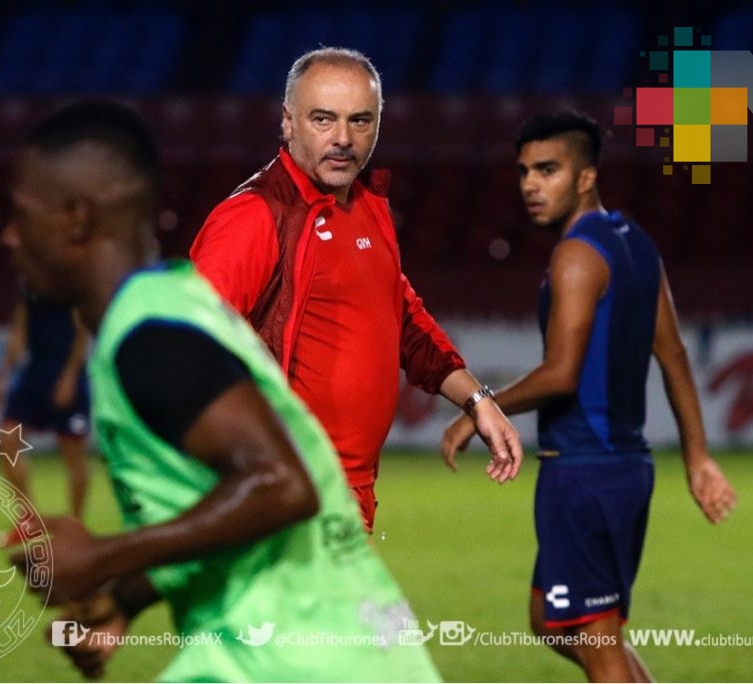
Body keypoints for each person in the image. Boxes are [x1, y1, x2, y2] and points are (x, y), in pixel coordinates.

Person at [3, 100, 441, 682]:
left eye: (21, 215)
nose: (9, 237)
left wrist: (102, 558)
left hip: (294, 658)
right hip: (335, 648)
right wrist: (124, 600)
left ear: (76, 220)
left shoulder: (150, 337)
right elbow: (235, 501)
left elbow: (283, 485)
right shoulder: (175, 306)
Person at [441, 111, 738, 682]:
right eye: (525, 170)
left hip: (585, 474)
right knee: (551, 619)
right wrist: (697, 457)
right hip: (625, 469)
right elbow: (673, 353)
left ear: (585, 177)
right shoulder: (634, 241)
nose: (530, 184)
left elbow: (561, 375)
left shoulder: (575, 256)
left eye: (548, 170)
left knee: (597, 646)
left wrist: (481, 405)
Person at [190, 47, 522, 531]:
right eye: (323, 119)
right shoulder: (256, 217)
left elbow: (403, 317)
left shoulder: (368, 203)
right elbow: (187, 349)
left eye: (360, 121)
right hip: (289, 494)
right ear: (288, 122)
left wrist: (477, 400)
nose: (343, 139)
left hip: (348, 493)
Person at [0, 285, 91, 545]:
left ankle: (74, 527)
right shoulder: (29, 285)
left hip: (68, 373)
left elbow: (82, 333)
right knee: (6, 439)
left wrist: (70, 375)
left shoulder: (69, 280)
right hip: (35, 374)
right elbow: (19, 333)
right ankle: (29, 519)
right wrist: (2, 379)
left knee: (73, 452)